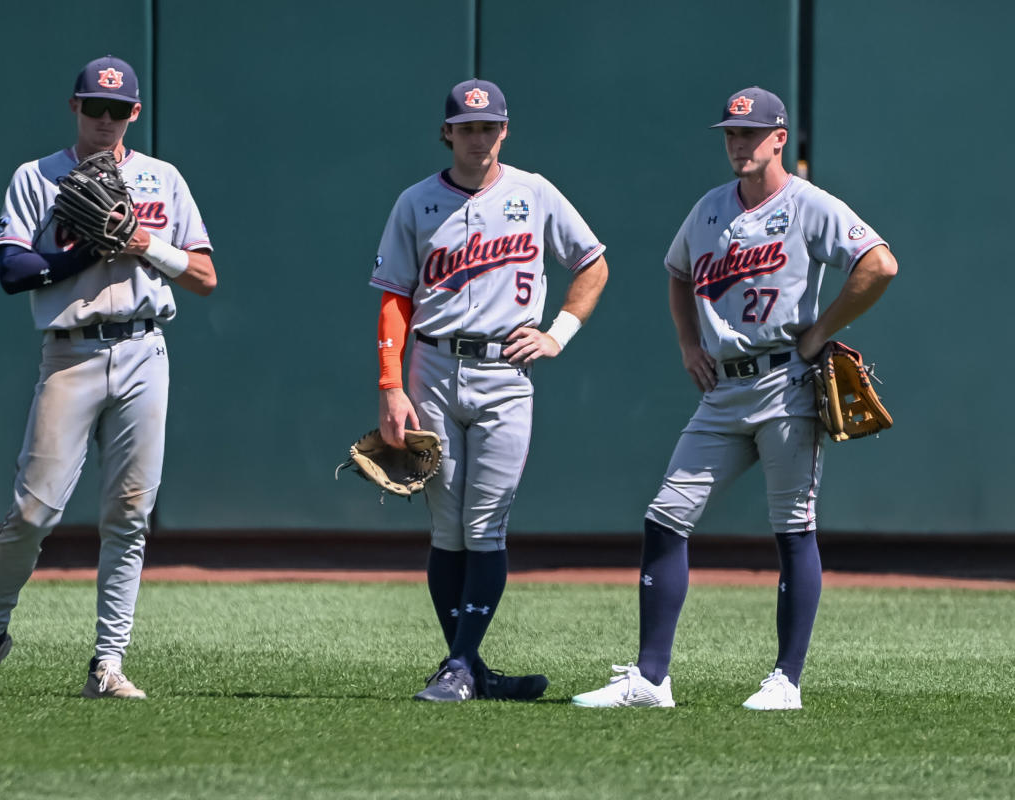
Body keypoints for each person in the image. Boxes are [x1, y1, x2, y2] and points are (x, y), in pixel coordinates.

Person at [572, 86, 897, 711]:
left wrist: (822, 332)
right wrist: (688, 342)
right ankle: (650, 679)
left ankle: (786, 682)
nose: (737, 144)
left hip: (786, 383)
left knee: (792, 530)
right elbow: (678, 272)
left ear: (780, 138)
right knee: (665, 517)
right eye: (730, 134)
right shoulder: (710, 209)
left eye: (749, 134)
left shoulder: (808, 205)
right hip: (723, 389)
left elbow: (878, 265)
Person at [0, 55, 217, 699]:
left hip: (146, 351)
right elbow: (12, 272)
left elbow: (204, 276)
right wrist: (86, 250)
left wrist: (144, 243)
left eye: (118, 110)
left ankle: (108, 663)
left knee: (129, 513)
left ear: (136, 114)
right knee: (31, 512)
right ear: (75, 107)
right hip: (70, 351)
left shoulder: (162, 178)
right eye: (95, 107)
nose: (106, 119)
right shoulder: (37, 176)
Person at [370, 78, 609, 702]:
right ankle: (466, 667)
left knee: (487, 523)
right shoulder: (416, 202)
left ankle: (460, 665)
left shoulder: (534, 193)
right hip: (433, 368)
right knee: (447, 527)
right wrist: (391, 388)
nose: (478, 137)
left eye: (489, 126)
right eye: (466, 126)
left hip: (506, 374)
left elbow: (592, 263)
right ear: (447, 132)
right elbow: (395, 299)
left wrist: (559, 332)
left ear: (504, 130)